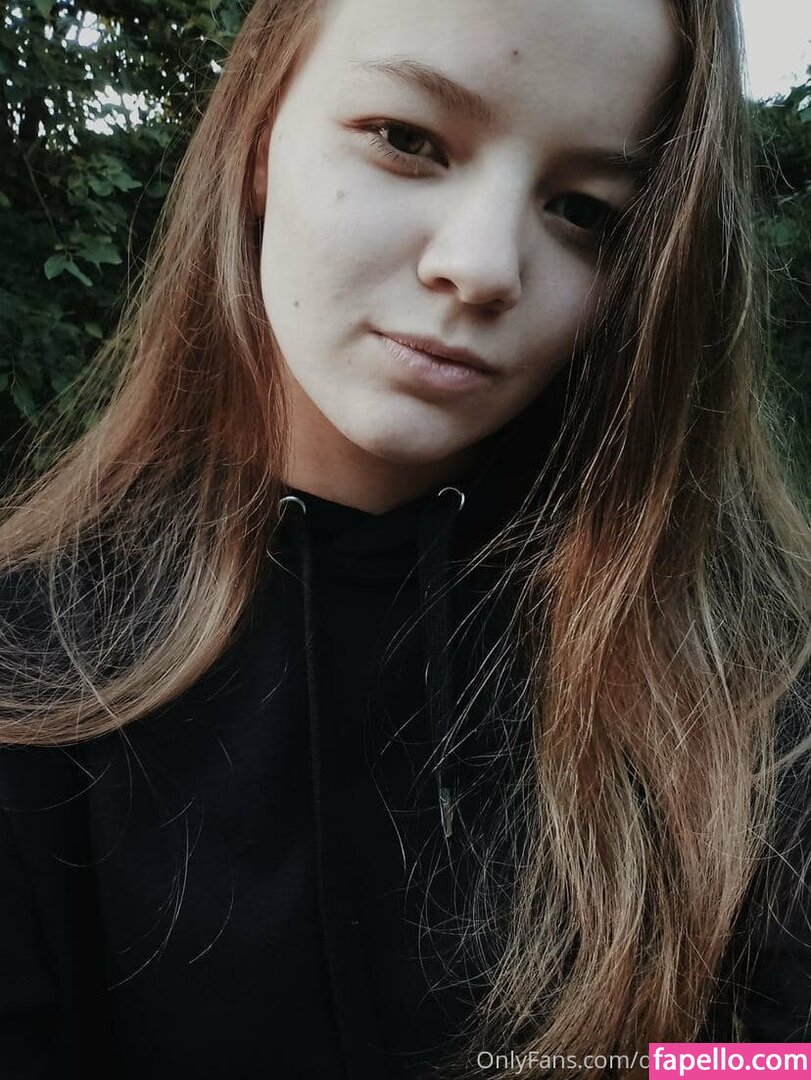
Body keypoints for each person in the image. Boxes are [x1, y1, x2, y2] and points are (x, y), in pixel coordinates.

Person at [0, 0, 808, 1077]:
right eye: (407, 140)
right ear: (257, 137)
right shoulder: (28, 668)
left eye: (584, 209)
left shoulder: (750, 679)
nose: (481, 267)